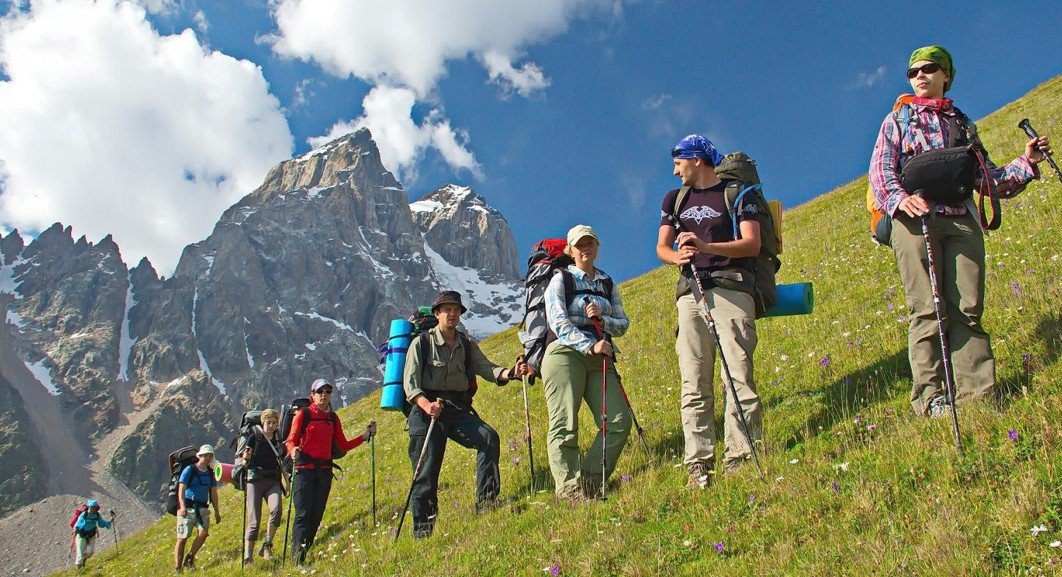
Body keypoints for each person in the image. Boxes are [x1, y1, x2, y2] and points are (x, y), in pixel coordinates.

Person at [869, 45, 1052, 417]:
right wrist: (899, 200)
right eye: (913, 71)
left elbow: (988, 179)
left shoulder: (962, 124)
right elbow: (881, 169)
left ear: (946, 75)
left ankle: (978, 396)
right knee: (926, 308)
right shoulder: (897, 120)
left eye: (930, 68)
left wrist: (1027, 162)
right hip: (914, 222)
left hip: (960, 220)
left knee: (966, 308)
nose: (920, 75)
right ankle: (931, 397)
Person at [656, 134, 764, 487]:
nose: (675, 172)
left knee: (737, 374)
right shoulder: (675, 200)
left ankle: (742, 456)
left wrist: (704, 245)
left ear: (696, 160)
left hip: (732, 287)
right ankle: (698, 463)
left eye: (678, 163)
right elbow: (662, 247)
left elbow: (752, 244)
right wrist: (677, 256)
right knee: (693, 379)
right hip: (690, 293)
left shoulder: (736, 193)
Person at [402, 290, 527, 539]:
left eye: (456, 309)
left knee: (488, 438)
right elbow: (410, 384)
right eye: (447, 309)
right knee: (426, 471)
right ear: (437, 314)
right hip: (426, 412)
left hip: (456, 409)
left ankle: (487, 504)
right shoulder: (422, 343)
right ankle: (423, 533)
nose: (452, 313)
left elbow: (487, 368)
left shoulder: (466, 345)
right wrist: (427, 406)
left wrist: (511, 372)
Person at [541, 224, 631, 500]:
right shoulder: (561, 280)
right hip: (564, 354)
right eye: (579, 244)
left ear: (597, 246)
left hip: (600, 355)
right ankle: (569, 491)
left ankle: (591, 482)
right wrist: (589, 345)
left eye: (589, 243)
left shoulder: (607, 283)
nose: (585, 248)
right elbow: (558, 321)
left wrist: (603, 320)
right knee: (565, 423)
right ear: (570, 250)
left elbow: (623, 324)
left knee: (619, 420)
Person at [285, 378, 376, 566]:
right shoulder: (303, 414)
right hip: (303, 471)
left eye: (327, 392)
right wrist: (293, 450)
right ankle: (298, 560)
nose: (324, 395)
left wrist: (365, 436)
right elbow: (290, 440)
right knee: (303, 514)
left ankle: (303, 552)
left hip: (324, 471)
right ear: (312, 395)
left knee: (316, 515)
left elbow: (343, 445)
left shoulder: (333, 418)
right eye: (320, 392)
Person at [238, 408, 285, 564]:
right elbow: (246, 458)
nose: (271, 426)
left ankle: (267, 545)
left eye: (274, 423)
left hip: (272, 479)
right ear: (262, 422)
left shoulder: (277, 437)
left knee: (277, 509)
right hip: (255, 480)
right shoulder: (254, 437)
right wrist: (245, 459)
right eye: (268, 422)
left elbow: (282, 456)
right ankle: (248, 557)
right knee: (254, 521)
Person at [174, 444, 220, 574]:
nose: (208, 458)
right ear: (200, 456)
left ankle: (190, 557)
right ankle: (178, 567)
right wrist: (182, 506)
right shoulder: (190, 469)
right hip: (188, 507)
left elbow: (213, 493)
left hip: (202, 507)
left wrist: (217, 511)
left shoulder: (211, 473)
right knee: (182, 538)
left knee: (203, 533)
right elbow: (181, 488)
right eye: (206, 455)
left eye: (210, 455)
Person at [72, 499, 112, 569]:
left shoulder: (97, 515)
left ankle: (83, 560)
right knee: (80, 552)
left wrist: (109, 522)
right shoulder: (84, 514)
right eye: (91, 507)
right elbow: (79, 522)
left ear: (96, 508)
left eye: (94, 507)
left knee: (90, 552)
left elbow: (101, 523)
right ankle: (79, 569)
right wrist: (76, 528)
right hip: (81, 535)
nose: (93, 509)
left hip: (91, 535)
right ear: (89, 507)